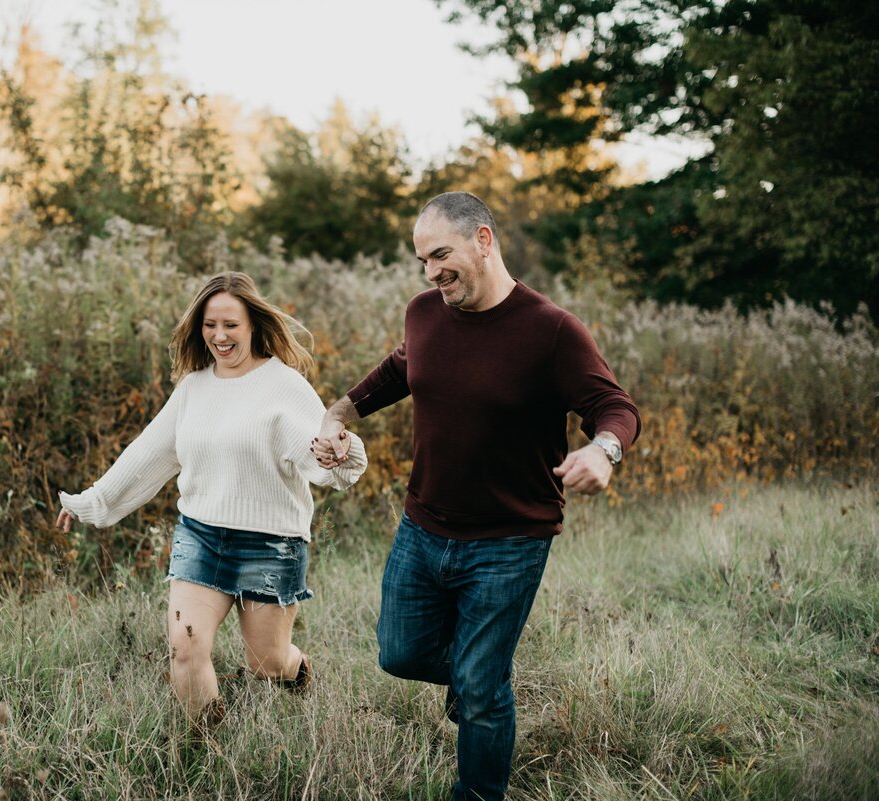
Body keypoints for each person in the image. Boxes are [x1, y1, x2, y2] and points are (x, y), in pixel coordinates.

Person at [314, 192, 640, 801]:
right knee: (399, 653)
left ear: (483, 241)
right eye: (422, 261)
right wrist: (339, 411)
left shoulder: (552, 331)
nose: (431, 272)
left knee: (483, 692)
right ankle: (478, 675)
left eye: (441, 255)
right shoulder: (425, 311)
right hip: (423, 527)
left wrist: (603, 450)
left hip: (510, 540)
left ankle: (481, 776)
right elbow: (400, 368)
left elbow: (614, 407)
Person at [56, 271, 367, 727]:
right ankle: (208, 752)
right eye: (210, 325)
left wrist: (339, 452)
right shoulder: (193, 389)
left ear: (253, 326)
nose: (219, 336)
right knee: (185, 647)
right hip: (200, 537)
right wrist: (93, 501)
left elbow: (320, 458)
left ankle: (297, 670)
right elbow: (148, 454)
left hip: (270, 544)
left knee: (267, 663)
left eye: (231, 325)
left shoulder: (283, 386)